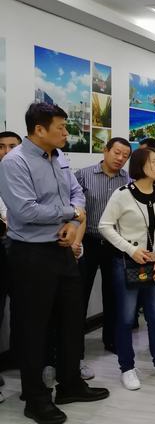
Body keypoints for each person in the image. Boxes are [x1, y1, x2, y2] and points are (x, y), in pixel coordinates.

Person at [0, 103, 109, 424]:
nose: (66, 132)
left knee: (71, 320)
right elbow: (25, 211)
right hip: (30, 254)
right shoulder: (15, 162)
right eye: (60, 127)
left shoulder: (59, 157)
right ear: (39, 129)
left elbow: (78, 194)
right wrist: (70, 214)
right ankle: (35, 398)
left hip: (63, 252)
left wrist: (74, 223)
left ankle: (70, 384)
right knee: (33, 328)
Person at [99, 147, 155, 390]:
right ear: (140, 165)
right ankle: (127, 367)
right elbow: (105, 226)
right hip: (127, 262)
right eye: (154, 161)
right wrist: (130, 249)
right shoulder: (122, 194)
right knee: (125, 318)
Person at [74, 137, 132, 376]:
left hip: (114, 243)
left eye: (125, 156)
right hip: (87, 241)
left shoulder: (128, 181)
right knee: (79, 295)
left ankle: (111, 340)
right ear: (105, 151)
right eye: (117, 152)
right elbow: (75, 208)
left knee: (114, 294)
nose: (120, 158)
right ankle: (75, 350)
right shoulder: (83, 175)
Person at [0, 130, 20, 404]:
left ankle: (21, 357)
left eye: (12, 146)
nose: (6, 152)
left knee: (24, 307)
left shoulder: (25, 174)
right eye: (1, 147)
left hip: (23, 248)